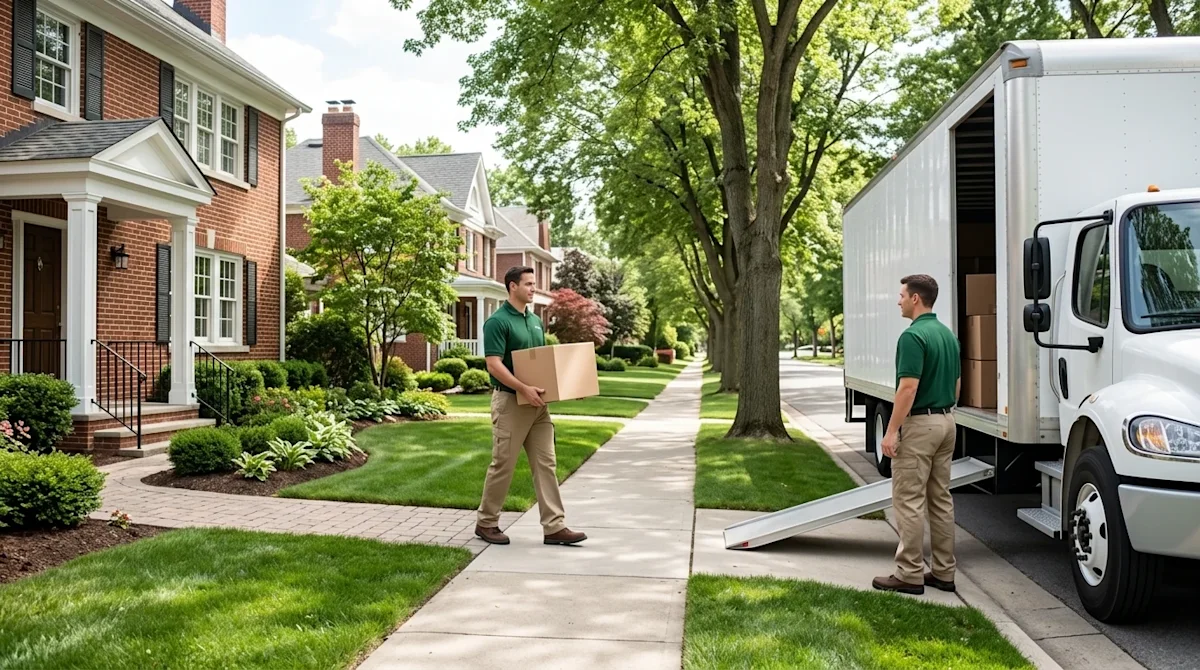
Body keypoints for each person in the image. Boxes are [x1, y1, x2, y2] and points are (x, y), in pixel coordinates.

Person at [474, 266, 587, 546]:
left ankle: (554, 527)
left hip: (539, 406)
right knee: (504, 464)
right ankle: (486, 523)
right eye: (528, 284)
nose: (533, 288)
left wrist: (573, 386)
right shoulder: (498, 321)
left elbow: (542, 362)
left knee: (546, 464)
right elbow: (493, 364)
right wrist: (522, 387)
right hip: (510, 402)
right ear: (512, 286)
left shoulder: (535, 321)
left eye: (534, 284)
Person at [872, 274, 961, 596]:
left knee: (908, 500)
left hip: (920, 425)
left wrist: (892, 431)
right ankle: (943, 572)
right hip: (947, 421)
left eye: (901, 295)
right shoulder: (947, 335)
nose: (898, 301)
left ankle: (909, 574)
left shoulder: (913, 337)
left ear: (915, 299)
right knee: (940, 500)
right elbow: (956, 385)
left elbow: (907, 388)